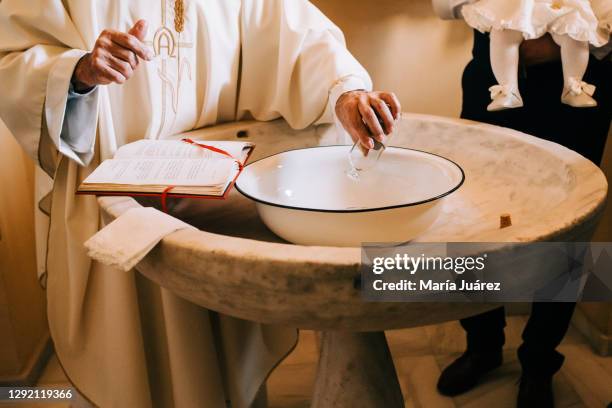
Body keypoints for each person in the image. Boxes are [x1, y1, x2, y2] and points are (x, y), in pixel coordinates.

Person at [0, 1, 400, 406]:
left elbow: (293, 31)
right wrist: (80, 72)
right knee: (134, 355)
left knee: (222, 352)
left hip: (213, 188)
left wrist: (346, 92)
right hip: (113, 182)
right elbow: (14, 56)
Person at [433, 1, 611, 407]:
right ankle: (481, 345)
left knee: (570, 228)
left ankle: (539, 362)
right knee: (473, 216)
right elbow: (443, 5)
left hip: (583, 88)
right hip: (489, 79)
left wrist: (579, 31)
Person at [461, 0, 609, 110]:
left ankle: (573, 87)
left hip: (562, 5)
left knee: (576, 31)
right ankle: (508, 90)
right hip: (520, 6)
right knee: (502, 31)